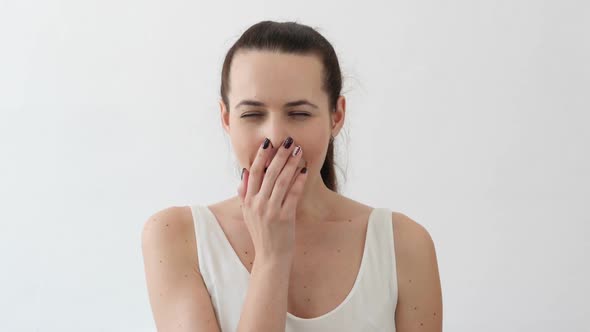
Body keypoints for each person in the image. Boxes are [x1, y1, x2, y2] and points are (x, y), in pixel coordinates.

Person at [141, 20, 442, 331]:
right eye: (252, 114)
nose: (274, 135)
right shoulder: (176, 237)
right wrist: (271, 257)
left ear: (336, 116)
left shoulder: (403, 245)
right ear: (226, 119)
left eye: (299, 114)